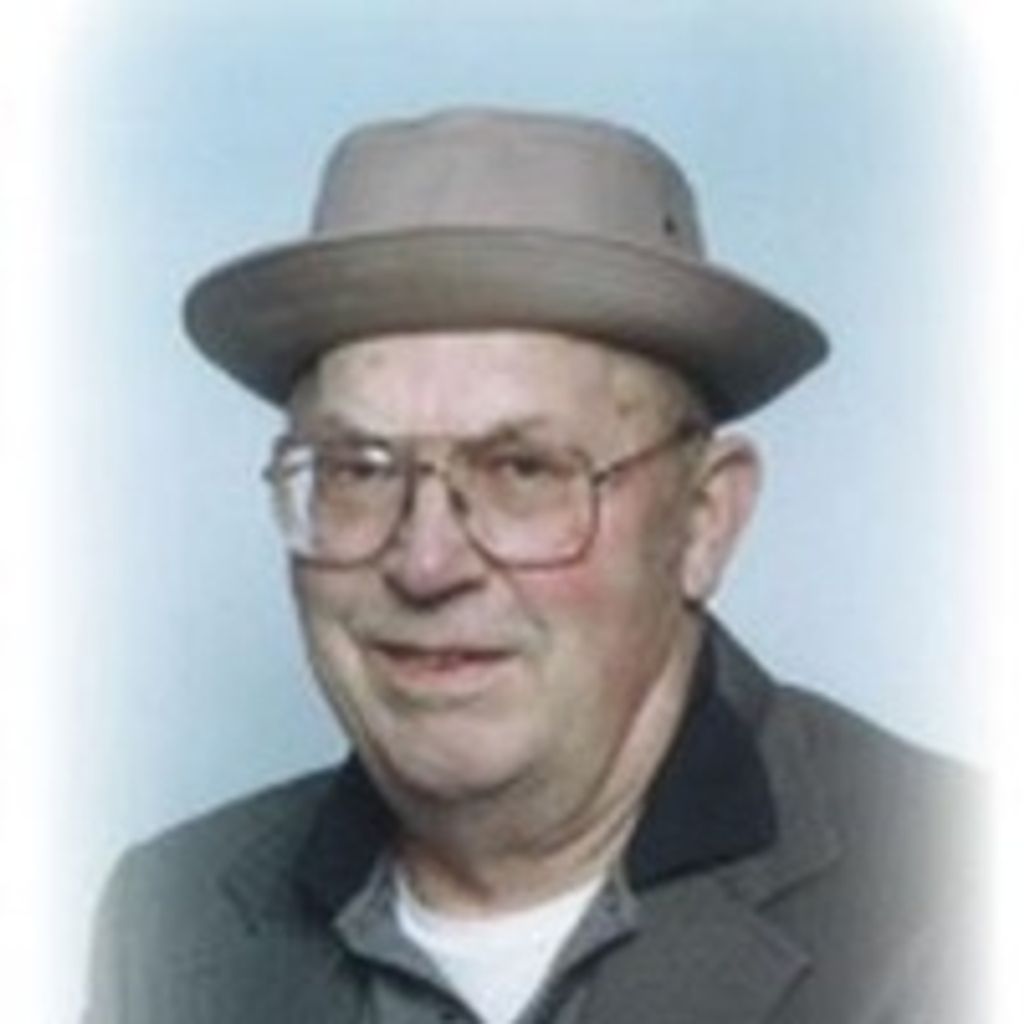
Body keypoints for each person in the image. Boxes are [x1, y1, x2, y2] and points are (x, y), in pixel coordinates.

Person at [86, 108, 978, 1024]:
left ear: (703, 521)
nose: (426, 563)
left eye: (522, 470)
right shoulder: (167, 927)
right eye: (359, 470)